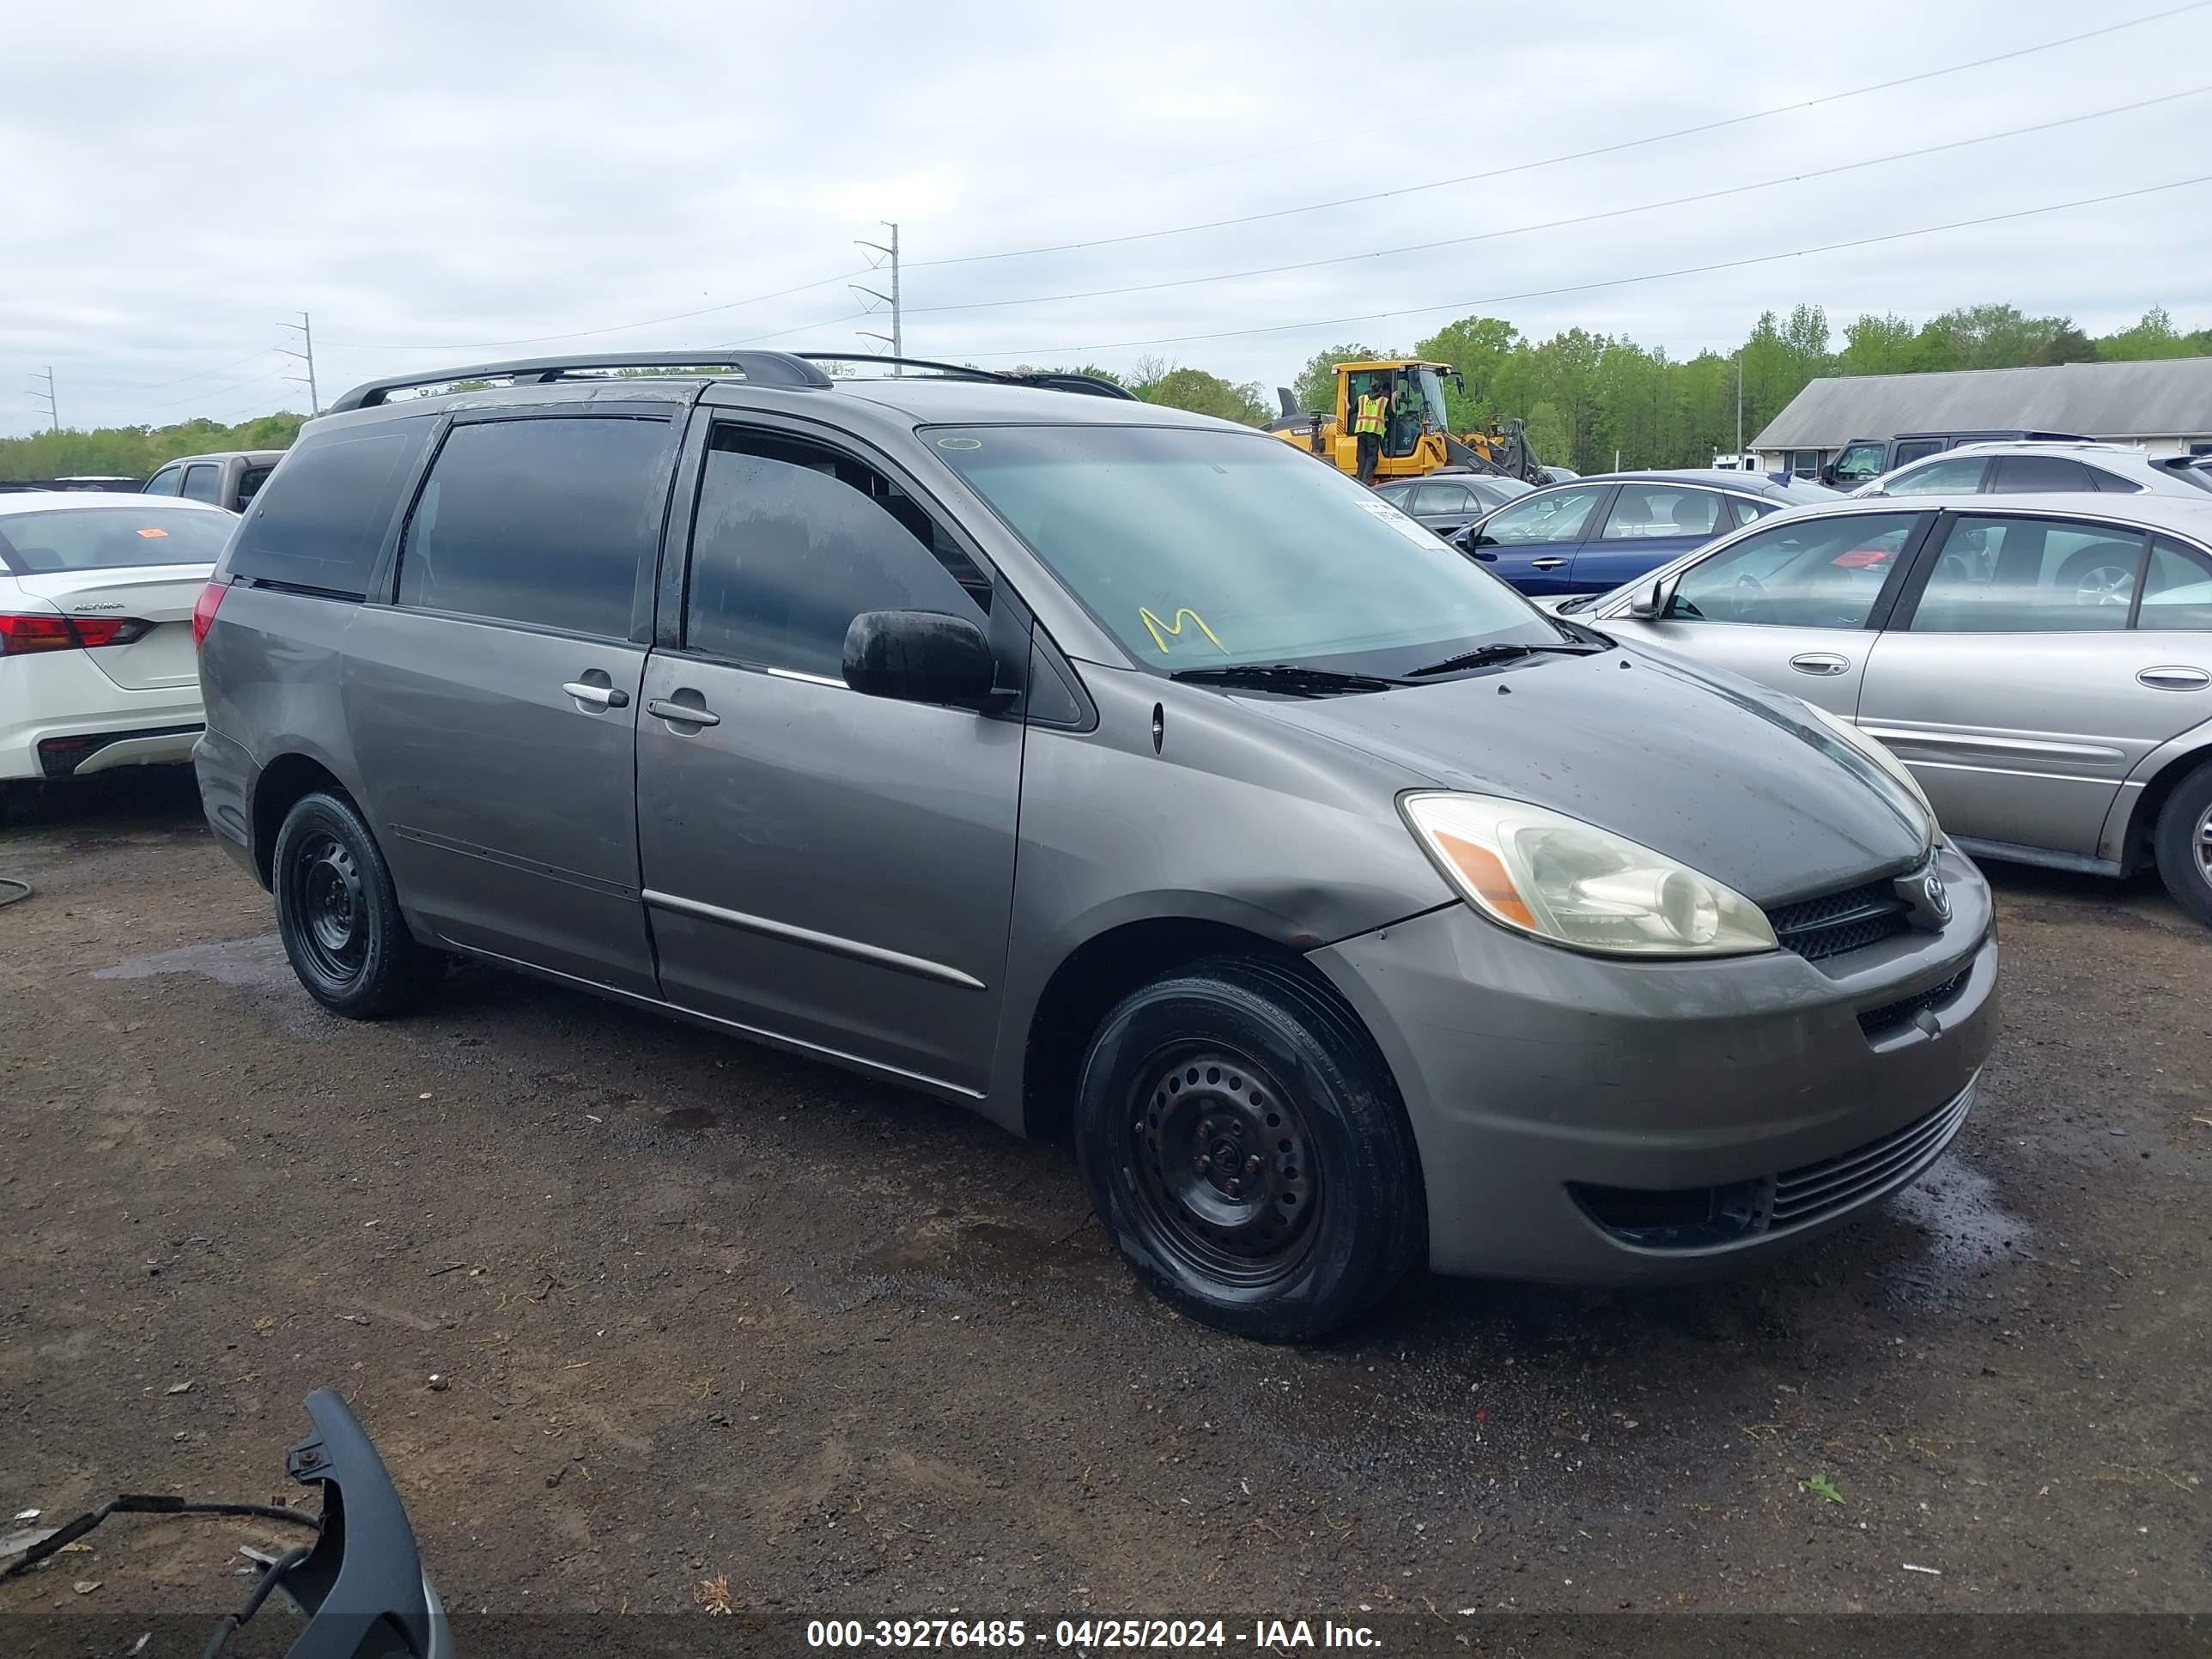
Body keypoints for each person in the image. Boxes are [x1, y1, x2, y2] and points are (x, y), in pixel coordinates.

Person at [1352, 379, 1389, 484]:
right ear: (1380, 389)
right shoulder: (1383, 401)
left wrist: (1345, 401)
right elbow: (1391, 414)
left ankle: (1359, 480)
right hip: (1373, 433)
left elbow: (1351, 411)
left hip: (1361, 432)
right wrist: (1394, 399)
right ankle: (1366, 481)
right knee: (1371, 458)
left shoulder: (1362, 399)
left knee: (1361, 457)